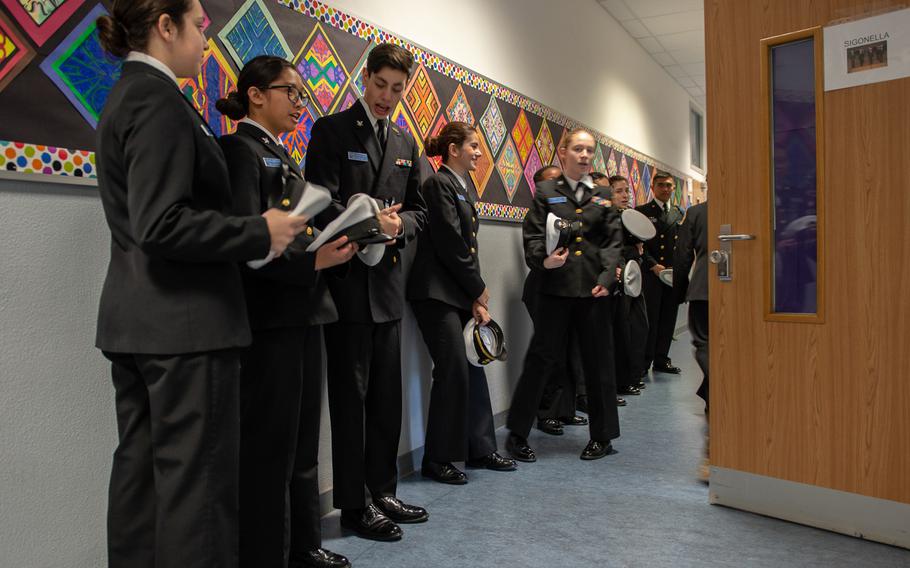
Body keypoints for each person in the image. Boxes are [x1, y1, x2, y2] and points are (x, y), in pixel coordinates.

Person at [95, 2, 307, 566]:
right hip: (187, 328)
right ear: (166, 26)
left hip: (139, 322)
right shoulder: (157, 99)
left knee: (142, 487)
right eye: (198, 25)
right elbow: (161, 222)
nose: (205, 36)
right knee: (200, 496)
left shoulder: (128, 93)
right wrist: (259, 232)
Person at [217, 55, 355, 568]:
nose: (301, 102)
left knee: (301, 442)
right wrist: (312, 259)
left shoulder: (282, 154)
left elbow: (300, 229)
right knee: (268, 447)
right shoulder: (239, 150)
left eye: (301, 95)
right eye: (290, 92)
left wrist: (338, 243)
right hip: (270, 318)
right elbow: (248, 241)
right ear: (255, 94)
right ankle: (264, 554)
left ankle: (303, 544)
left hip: (305, 311)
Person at [304, 42, 428, 542]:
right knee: (351, 403)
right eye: (380, 85)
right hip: (348, 286)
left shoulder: (404, 142)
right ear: (365, 78)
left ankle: (384, 489)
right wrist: (367, 223)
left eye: (397, 90)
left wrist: (399, 227)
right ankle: (354, 506)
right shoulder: (332, 130)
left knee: (385, 400)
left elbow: (420, 209)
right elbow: (320, 203)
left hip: (388, 288)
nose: (387, 97)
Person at [407, 122, 517, 485]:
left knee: (473, 365)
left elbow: (469, 247)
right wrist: (479, 289)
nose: (479, 153)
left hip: (457, 292)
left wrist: (475, 299)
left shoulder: (461, 187)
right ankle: (438, 459)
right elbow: (451, 243)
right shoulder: (437, 184)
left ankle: (481, 448)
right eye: (473, 146)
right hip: (435, 293)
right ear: (453, 149)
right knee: (453, 369)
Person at [505, 128, 623, 462]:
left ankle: (602, 437)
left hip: (593, 291)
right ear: (564, 152)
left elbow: (613, 242)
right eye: (578, 150)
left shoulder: (602, 195)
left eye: (589, 151)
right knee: (540, 361)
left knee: (598, 364)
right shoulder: (545, 191)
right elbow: (532, 235)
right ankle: (517, 434)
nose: (584, 156)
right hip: (555, 290)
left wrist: (606, 278)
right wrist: (542, 259)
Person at [522, 165, 590, 431]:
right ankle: (545, 412)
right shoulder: (537, 217)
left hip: (570, 290)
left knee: (571, 351)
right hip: (543, 290)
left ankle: (566, 409)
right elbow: (532, 254)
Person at [636, 172, 684, 375]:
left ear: (673, 188)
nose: (665, 189)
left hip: (672, 275)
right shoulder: (642, 212)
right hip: (651, 274)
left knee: (668, 319)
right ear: (653, 187)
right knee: (651, 320)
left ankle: (662, 359)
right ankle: (645, 362)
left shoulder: (678, 213)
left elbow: (682, 245)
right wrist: (652, 265)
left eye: (669, 186)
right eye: (661, 185)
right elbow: (639, 245)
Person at [607, 174, 649, 398]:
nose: (625, 196)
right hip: (618, 281)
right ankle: (622, 380)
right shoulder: (608, 220)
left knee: (638, 328)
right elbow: (615, 251)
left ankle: (633, 375)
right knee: (622, 333)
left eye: (627, 191)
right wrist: (635, 251)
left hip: (634, 280)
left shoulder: (629, 218)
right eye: (619, 191)